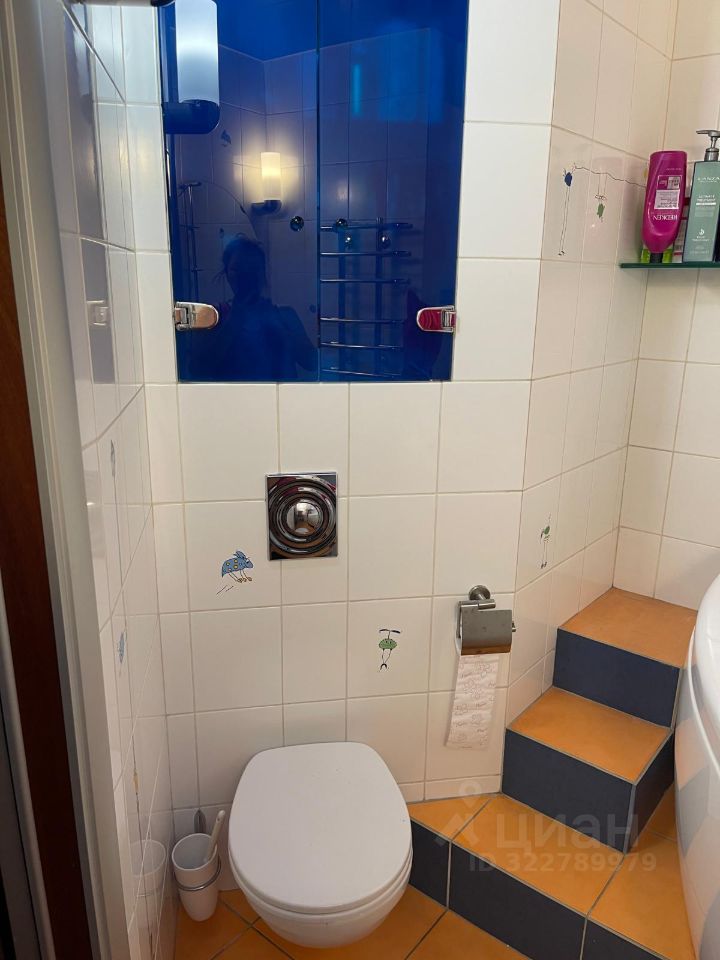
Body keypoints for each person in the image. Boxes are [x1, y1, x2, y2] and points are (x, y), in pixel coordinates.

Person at [179, 234, 316, 381]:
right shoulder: (213, 317)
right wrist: (233, 321)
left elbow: (312, 363)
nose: (245, 275)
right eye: (238, 269)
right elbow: (196, 369)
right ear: (227, 273)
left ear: (262, 273)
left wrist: (281, 330)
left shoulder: (285, 315)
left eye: (252, 268)